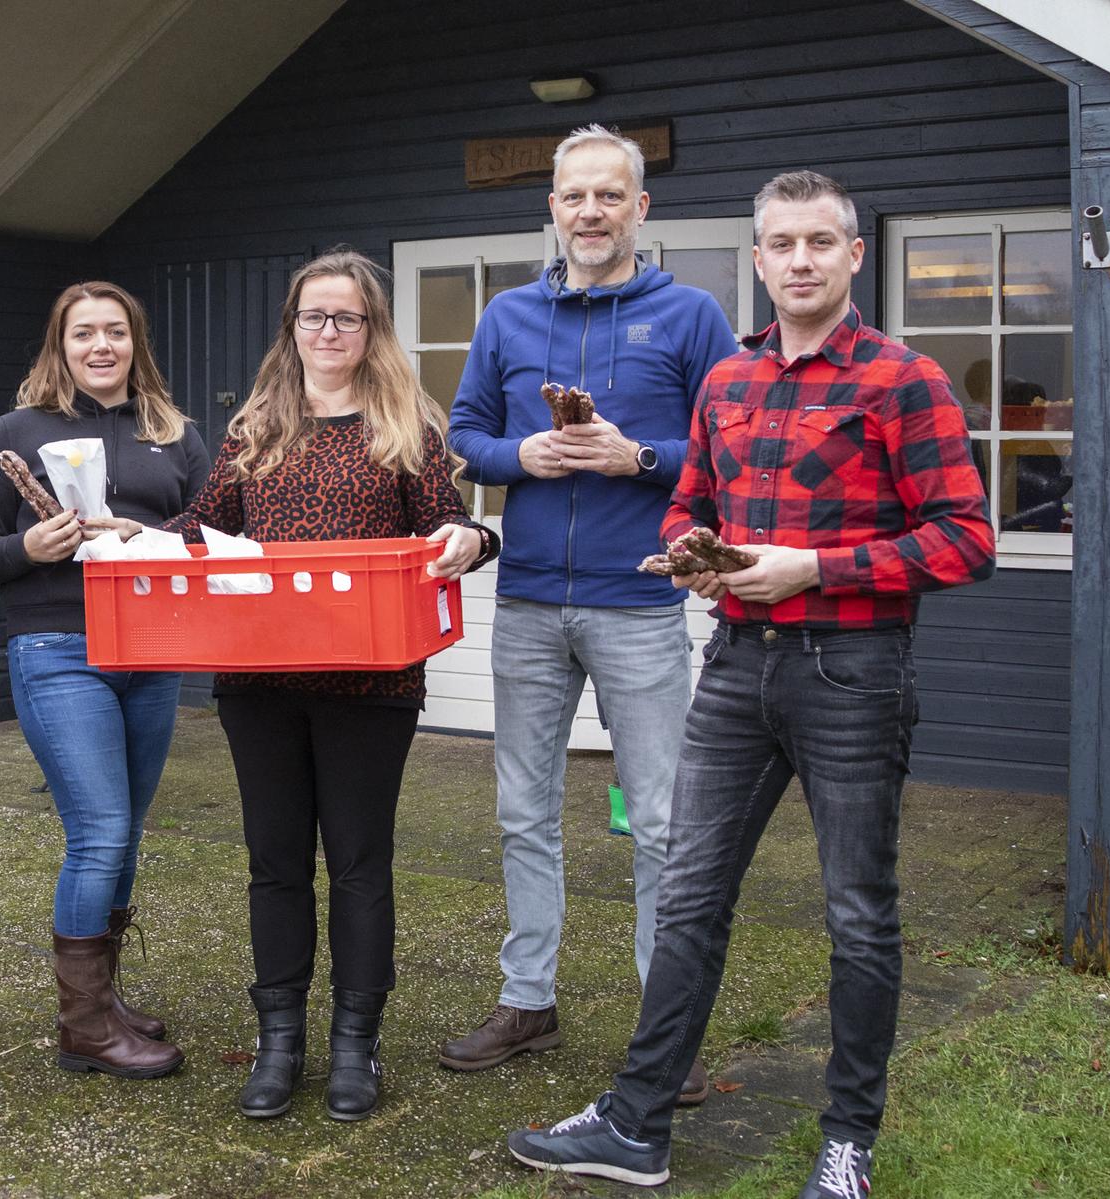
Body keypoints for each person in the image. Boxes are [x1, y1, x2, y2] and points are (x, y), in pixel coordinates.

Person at [507, 172, 995, 1198]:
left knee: (859, 912)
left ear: (853, 256)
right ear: (760, 259)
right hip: (735, 665)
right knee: (688, 893)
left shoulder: (904, 380)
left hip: (851, 670)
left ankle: (846, 1140)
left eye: (821, 241)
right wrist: (689, 548)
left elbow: (967, 538)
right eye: (781, 244)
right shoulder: (728, 380)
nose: (801, 260)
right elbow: (690, 499)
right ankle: (637, 1122)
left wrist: (816, 566)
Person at [145, 248, 497, 1121]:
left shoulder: (407, 424)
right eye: (314, 316)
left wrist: (472, 544)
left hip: (371, 682)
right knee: (273, 863)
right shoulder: (258, 424)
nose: (329, 331)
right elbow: (203, 525)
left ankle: (354, 1042)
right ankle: (280, 1042)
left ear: (372, 328)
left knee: (359, 862)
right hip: (259, 678)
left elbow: (450, 525)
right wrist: (137, 536)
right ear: (293, 327)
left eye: (347, 317)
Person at [443, 124, 736, 1100]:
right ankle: (529, 997)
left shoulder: (690, 314)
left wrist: (638, 458)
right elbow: (465, 434)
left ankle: (667, 1024)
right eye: (576, 196)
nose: (592, 212)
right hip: (526, 598)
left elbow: (734, 447)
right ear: (554, 206)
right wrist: (518, 457)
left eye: (611, 195)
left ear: (640, 208)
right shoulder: (508, 317)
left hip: (640, 602)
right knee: (523, 810)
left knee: (658, 820)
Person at [0, 281, 209, 1080]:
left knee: (126, 833)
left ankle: (104, 1000)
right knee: (98, 832)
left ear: (136, 343)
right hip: (59, 645)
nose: (101, 346)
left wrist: (150, 533)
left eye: (115, 332)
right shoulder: (20, 430)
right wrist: (27, 551)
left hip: (153, 651)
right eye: (83, 334)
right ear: (59, 346)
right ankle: (84, 1028)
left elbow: (213, 532)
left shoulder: (174, 432)